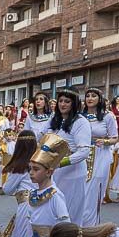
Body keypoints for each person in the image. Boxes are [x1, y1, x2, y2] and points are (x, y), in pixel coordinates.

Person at [46, 90, 92, 228]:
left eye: (67, 101)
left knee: (70, 211)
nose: (62, 104)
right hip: (54, 171)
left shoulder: (81, 122)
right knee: (53, 209)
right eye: (60, 101)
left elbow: (84, 151)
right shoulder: (54, 119)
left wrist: (61, 163)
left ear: (74, 104)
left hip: (73, 173)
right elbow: (40, 136)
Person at [82, 88, 119, 225]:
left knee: (94, 188)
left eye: (93, 96)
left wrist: (105, 141)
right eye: (87, 96)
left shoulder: (107, 116)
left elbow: (115, 138)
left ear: (100, 99)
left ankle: (92, 225)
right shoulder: (80, 116)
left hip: (100, 154)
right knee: (81, 188)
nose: (90, 98)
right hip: (82, 155)